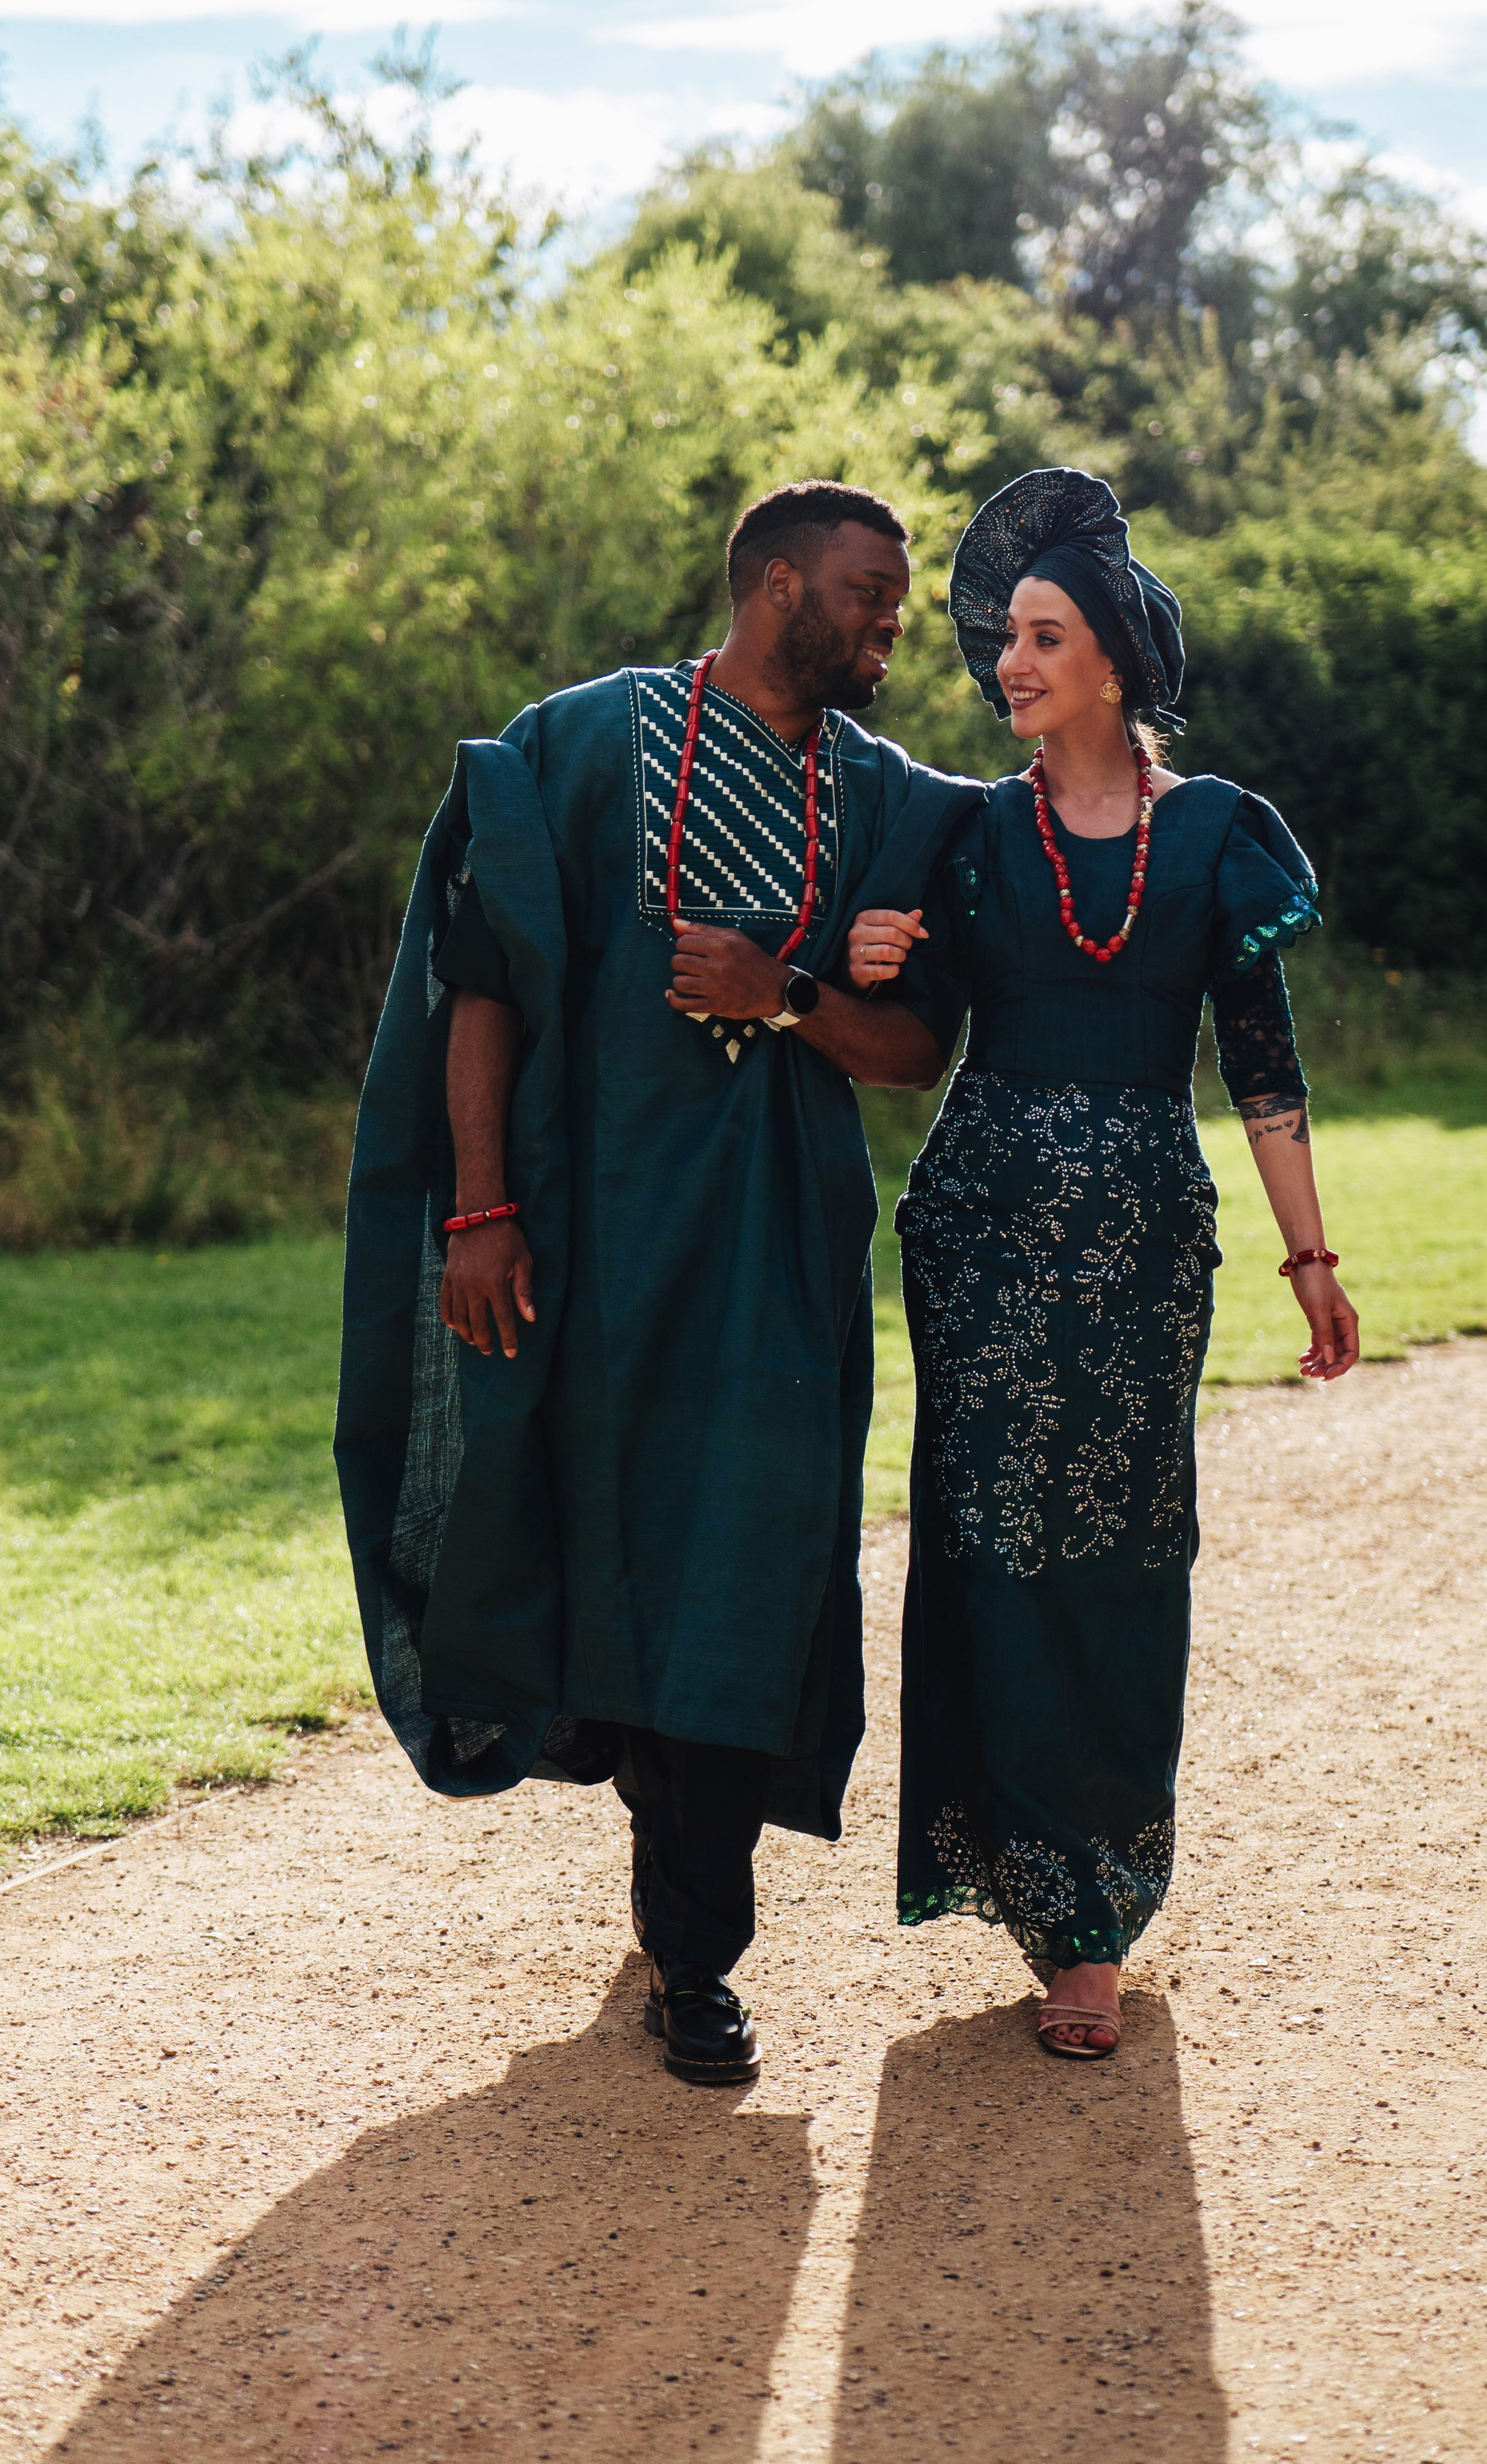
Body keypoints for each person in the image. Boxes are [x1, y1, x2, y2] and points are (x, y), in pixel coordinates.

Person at [334, 482, 978, 2087]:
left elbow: (913, 1051)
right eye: (868, 591)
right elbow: (485, 989)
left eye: (897, 598)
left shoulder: (886, 798)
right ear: (778, 586)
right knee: (598, 1545)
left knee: (749, 1563)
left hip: (777, 1264)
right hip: (593, 1243)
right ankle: (650, 1825)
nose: (892, 622)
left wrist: (787, 993)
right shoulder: (581, 743)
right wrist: (480, 1209)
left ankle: (697, 1960)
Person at [846, 467, 1360, 2062]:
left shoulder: (1213, 836)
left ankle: (1095, 1923)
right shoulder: (964, 831)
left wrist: (1309, 1257)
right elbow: (910, 1042)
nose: (1009, 662)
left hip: (1143, 1241)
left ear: (1115, 664)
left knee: (1123, 1559)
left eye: (1043, 637)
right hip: (981, 1232)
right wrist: (862, 958)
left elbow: (1261, 1067)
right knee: (993, 1549)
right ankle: (1024, 1887)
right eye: (1004, 637)